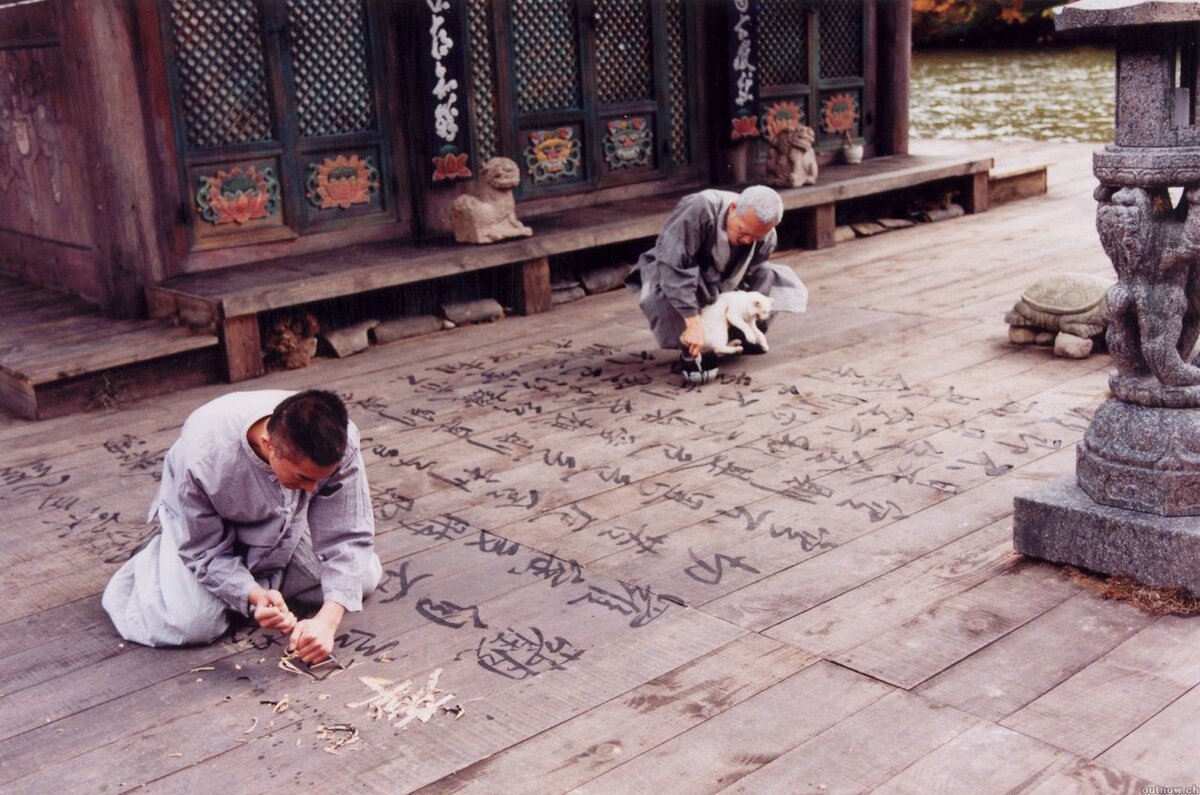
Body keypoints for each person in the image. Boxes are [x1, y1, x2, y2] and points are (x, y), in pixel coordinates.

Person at [102, 389, 382, 664]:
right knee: (194, 623)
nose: (313, 489)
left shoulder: (340, 439)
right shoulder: (202, 456)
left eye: (320, 479)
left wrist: (326, 622)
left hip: (283, 526)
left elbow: (348, 534)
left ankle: (257, 578)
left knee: (364, 576)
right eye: (302, 478)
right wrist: (252, 594)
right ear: (268, 444)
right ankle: (160, 557)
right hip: (206, 534)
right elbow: (204, 548)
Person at [625, 185, 808, 372]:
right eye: (743, 231)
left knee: (768, 275)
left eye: (755, 237)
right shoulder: (699, 208)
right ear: (734, 208)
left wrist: (732, 308)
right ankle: (694, 347)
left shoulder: (767, 236)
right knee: (670, 288)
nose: (746, 241)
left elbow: (752, 271)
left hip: (725, 282)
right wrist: (693, 321)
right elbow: (673, 265)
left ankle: (735, 337)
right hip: (683, 274)